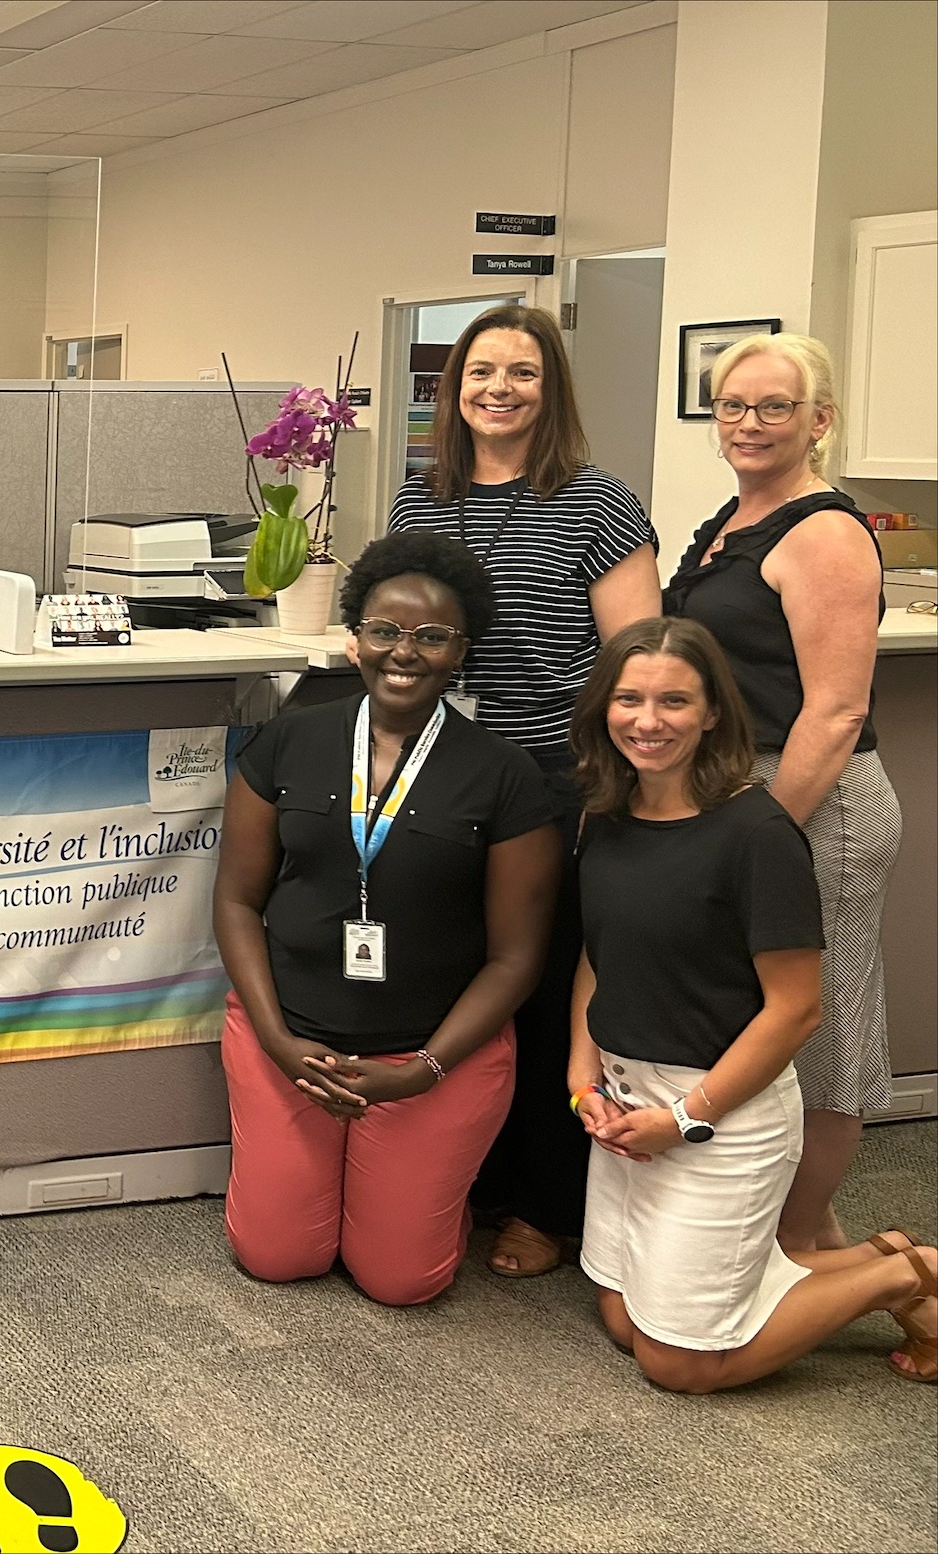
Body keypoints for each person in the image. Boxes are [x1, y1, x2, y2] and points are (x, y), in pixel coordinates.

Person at [567, 616, 933, 1391]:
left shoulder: (756, 832)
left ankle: (907, 1275)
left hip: (720, 1111)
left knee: (677, 1364)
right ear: (603, 708)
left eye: (674, 700)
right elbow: (597, 956)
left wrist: (685, 1118)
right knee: (622, 1322)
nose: (647, 720)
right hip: (626, 1099)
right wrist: (581, 1081)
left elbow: (795, 1011)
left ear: (711, 714)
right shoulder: (604, 813)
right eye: (628, 699)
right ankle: (867, 1257)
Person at [385, 303, 661, 1279]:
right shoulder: (419, 504)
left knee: (543, 993)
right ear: (451, 392)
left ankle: (544, 1206)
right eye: (479, 374)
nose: (497, 390)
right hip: (439, 770)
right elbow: (395, 631)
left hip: (554, 776)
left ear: (551, 391)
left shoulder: (594, 502)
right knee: (453, 977)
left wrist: (610, 777)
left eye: (521, 374)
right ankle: (471, 1183)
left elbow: (635, 655)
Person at [214, 532, 560, 1305]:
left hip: (433, 1057)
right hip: (290, 1037)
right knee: (276, 1254)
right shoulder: (289, 742)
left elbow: (514, 959)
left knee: (402, 1280)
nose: (404, 652)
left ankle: (389, 1188)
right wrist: (276, 1039)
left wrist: (421, 1069)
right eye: (384, 631)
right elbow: (236, 901)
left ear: (461, 649)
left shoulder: (502, 775)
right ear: (355, 638)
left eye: (431, 637)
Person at [662, 332, 897, 1256]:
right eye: (732, 406)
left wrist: (757, 832)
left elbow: (834, 713)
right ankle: (846, 1260)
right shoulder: (732, 517)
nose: (749, 423)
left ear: (818, 421)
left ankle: (802, 1241)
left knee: (820, 1028)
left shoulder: (826, 532)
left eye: (774, 407)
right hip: (741, 797)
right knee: (762, 1019)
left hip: (815, 807)